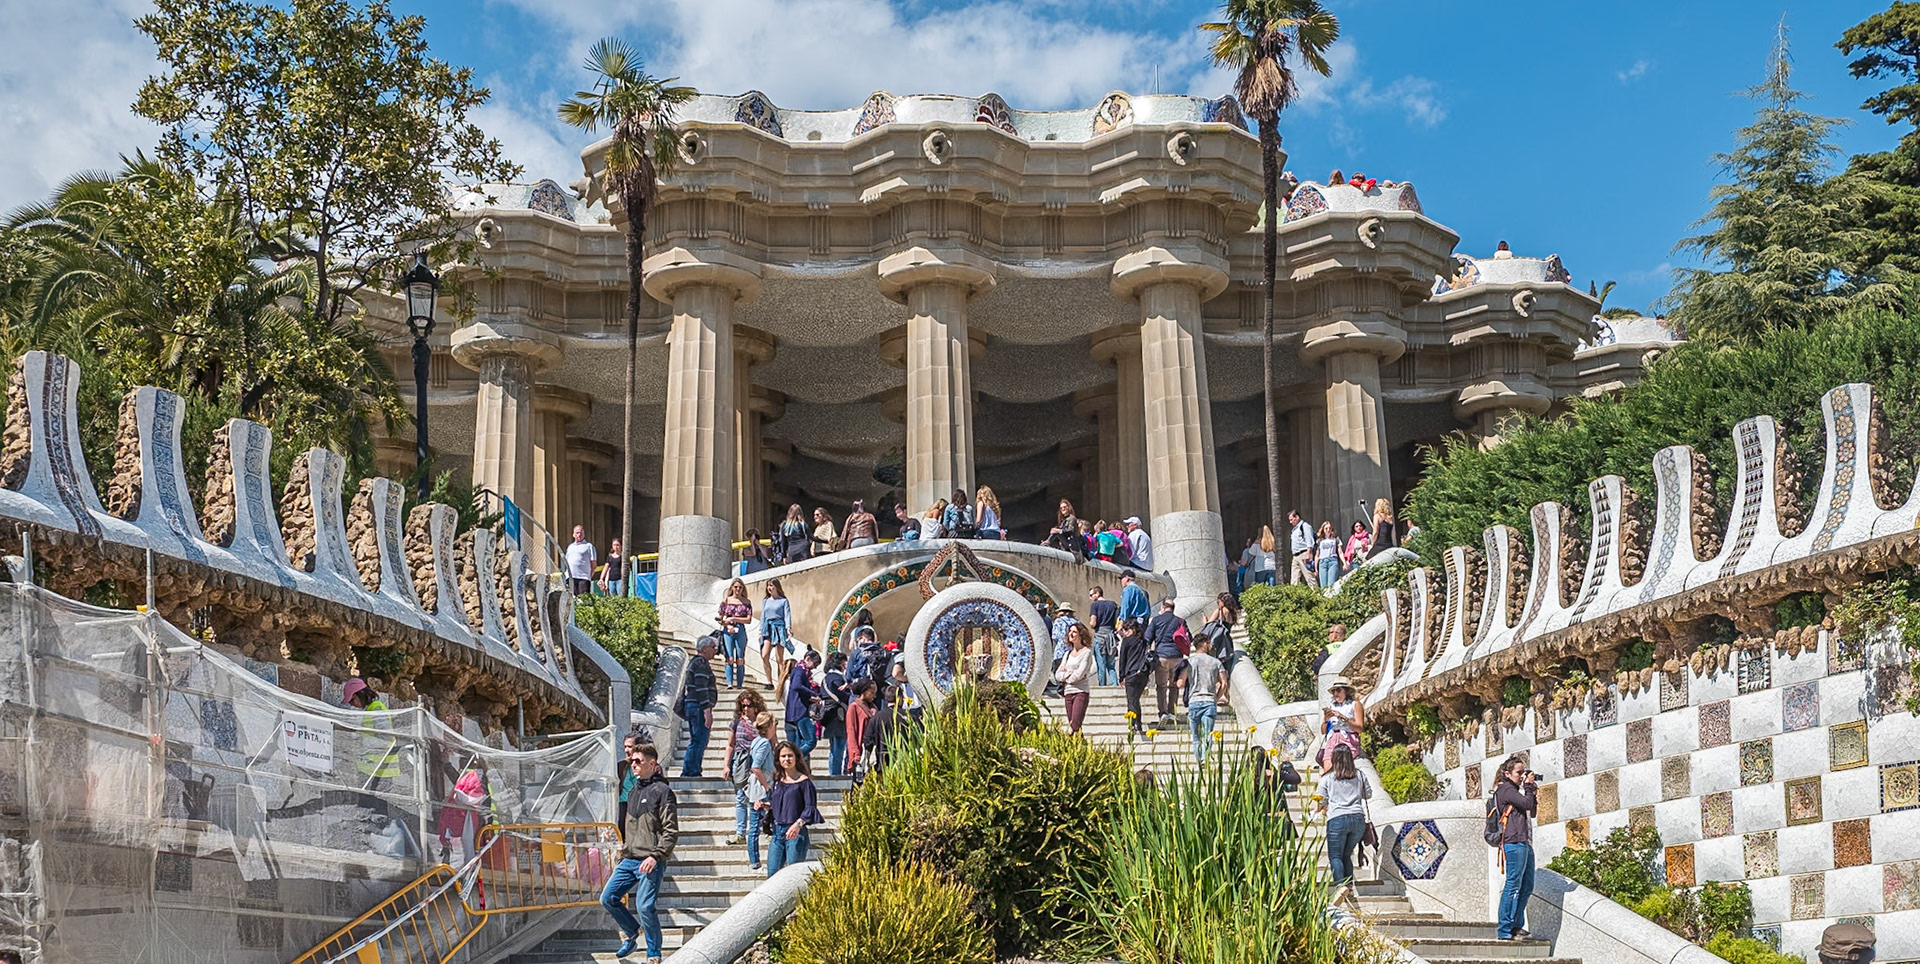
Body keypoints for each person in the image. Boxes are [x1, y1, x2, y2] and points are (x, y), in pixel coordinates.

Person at [601, 742, 678, 962]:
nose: (633, 765)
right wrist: (622, 843)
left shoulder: (663, 792)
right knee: (608, 898)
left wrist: (656, 856)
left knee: (644, 905)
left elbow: (671, 831)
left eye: (638, 761)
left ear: (652, 764)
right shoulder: (633, 792)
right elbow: (631, 824)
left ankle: (654, 953)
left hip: (650, 859)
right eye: (631, 761)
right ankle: (632, 932)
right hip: (629, 858)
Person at [1491, 754, 1539, 941]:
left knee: (1527, 885)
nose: (1521, 776)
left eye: (1523, 773)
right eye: (1519, 773)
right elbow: (1525, 804)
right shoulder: (1505, 790)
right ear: (1507, 773)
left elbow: (1531, 810)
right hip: (1513, 842)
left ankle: (1516, 926)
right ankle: (1504, 928)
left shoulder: (1515, 792)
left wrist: (1532, 791)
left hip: (1524, 842)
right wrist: (1527, 788)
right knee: (1513, 884)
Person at [1316, 744, 1371, 902]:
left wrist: (1315, 811)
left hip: (1337, 819)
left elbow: (1321, 800)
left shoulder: (1328, 778)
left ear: (1334, 758)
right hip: (1357, 818)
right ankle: (1350, 887)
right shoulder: (1360, 775)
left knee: (1335, 856)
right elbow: (1368, 794)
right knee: (1347, 854)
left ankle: (1341, 886)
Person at [766, 741, 823, 877]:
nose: (787, 759)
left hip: (796, 833)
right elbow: (778, 803)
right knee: (772, 875)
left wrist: (797, 825)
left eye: (790, 756)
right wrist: (765, 805)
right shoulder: (777, 780)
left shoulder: (804, 782)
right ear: (778, 760)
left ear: (796, 757)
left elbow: (810, 808)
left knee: (792, 876)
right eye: (783, 756)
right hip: (777, 832)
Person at [723, 691, 767, 847]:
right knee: (741, 798)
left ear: (756, 706)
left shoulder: (763, 722)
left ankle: (766, 828)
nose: (746, 709)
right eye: (743, 706)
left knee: (761, 797)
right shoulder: (736, 722)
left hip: (759, 763)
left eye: (749, 705)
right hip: (741, 763)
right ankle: (740, 832)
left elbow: (773, 742)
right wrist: (726, 765)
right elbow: (730, 745)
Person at [1182, 631, 1226, 761]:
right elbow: (1224, 683)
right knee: (1207, 735)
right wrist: (1216, 698)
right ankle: (1204, 760)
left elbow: (1181, 681)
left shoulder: (1190, 662)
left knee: (1196, 737)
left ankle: (1199, 761)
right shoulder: (1216, 662)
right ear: (1204, 644)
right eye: (1208, 642)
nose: (1210, 645)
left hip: (1194, 700)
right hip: (1209, 701)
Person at [679, 637, 718, 778]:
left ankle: (692, 769)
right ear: (704, 648)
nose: (715, 650)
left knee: (698, 739)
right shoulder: (701, 664)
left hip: (694, 706)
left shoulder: (695, 663)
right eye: (713, 647)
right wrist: (707, 710)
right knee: (699, 740)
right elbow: (701, 688)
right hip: (698, 707)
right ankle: (691, 771)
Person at [745, 711, 778, 870]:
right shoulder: (764, 743)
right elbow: (756, 767)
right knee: (758, 824)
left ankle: (755, 860)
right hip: (761, 787)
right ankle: (755, 860)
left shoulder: (757, 741)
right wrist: (766, 786)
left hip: (758, 785)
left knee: (756, 825)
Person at [1146, 600, 1185, 725]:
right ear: (1173, 608)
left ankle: (1162, 713)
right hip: (1177, 657)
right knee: (1174, 686)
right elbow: (1187, 636)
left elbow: (1147, 637)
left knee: (1161, 687)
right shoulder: (1180, 621)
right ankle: (1172, 713)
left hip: (1162, 656)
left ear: (1163, 607)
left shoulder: (1156, 620)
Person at [1054, 622, 1096, 734]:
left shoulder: (1086, 653)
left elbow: (1079, 675)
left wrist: (1066, 675)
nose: (1071, 634)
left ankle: (1075, 747)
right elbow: (1057, 675)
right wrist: (1069, 674)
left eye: (1074, 632)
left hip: (1080, 692)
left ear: (1081, 635)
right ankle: (1080, 748)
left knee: (1075, 724)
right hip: (1068, 692)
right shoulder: (1067, 654)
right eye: (1070, 632)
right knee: (1074, 726)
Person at [1319, 677, 1366, 770]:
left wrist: (1343, 718)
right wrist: (1326, 719)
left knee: (1345, 769)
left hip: (1348, 739)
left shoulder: (1355, 704)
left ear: (1346, 691)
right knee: (1327, 768)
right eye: (1334, 691)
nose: (1336, 693)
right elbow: (1323, 731)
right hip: (1332, 738)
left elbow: (1360, 728)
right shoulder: (1332, 706)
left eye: (1338, 690)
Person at [784, 650, 823, 756]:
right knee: (810, 741)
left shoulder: (799, 671)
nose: (814, 667)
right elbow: (796, 685)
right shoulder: (800, 670)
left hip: (793, 713)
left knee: (798, 743)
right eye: (814, 664)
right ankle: (796, 757)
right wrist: (812, 693)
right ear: (808, 659)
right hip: (800, 711)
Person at [1116, 618, 1151, 735]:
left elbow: (1122, 659)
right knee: (1135, 699)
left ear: (1133, 629)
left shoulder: (1127, 641)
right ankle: (1138, 723)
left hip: (1131, 673)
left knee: (1131, 700)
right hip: (1143, 673)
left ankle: (1133, 724)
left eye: (1126, 629)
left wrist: (1121, 677)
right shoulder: (1143, 641)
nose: (1124, 632)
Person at [717, 579, 753, 688]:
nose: (738, 589)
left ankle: (739, 684)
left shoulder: (746, 602)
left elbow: (748, 619)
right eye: (736, 587)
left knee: (740, 658)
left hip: (740, 629)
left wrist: (735, 618)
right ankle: (729, 683)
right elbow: (719, 617)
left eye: (740, 587)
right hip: (728, 630)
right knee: (730, 657)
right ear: (732, 587)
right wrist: (727, 624)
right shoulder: (726, 600)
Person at [821, 652, 851, 776]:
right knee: (838, 746)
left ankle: (833, 772)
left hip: (830, 716)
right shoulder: (837, 678)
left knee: (834, 748)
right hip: (837, 716)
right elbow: (842, 695)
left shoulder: (826, 678)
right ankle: (836, 774)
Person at [758, 579, 792, 689]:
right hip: (768, 628)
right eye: (768, 586)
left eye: (771, 585)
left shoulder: (783, 601)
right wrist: (761, 631)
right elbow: (763, 616)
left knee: (779, 658)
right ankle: (769, 681)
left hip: (779, 628)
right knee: (764, 655)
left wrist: (788, 628)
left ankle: (780, 682)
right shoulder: (766, 601)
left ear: (776, 587)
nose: (769, 588)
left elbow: (787, 615)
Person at [1087, 585, 1120, 686]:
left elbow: (1093, 623)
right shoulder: (1113, 605)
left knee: (1101, 664)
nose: (1090, 598)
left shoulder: (1095, 605)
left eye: (1091, 595)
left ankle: (1102, 687)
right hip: (1111, 636)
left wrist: (1091, 625)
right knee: (1111, 665)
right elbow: (1117, 620)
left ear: (1097, 593)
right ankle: (1115, 684)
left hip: (1100, 635)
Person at [844, 679, 877, 779]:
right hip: (860, 750)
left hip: (872, 750)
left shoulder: (873, 707)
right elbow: (851, 731)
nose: (874, 696)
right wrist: (855, 753)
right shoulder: (854, 707)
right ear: (864, 691)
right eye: (872, 692)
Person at [1203, 591, 1239, 671]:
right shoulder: (1232, 613)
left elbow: (1208, 626)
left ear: (1223, 602)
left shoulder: (1220, 611)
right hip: (1227, 642)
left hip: (1218, 642)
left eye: (1218, 601)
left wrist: (1204, 620)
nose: (1217, 603)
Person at [563, 525, 597, 595]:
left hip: (583, 578)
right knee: (571, 599)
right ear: (573, 534)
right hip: (571, 577)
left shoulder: (589, 546)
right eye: (577, 533)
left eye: (581, 533)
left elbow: (593, 564)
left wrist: (589, 576)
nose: (579, 535)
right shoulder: (570, 547)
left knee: (582, 600)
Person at [1287, 510, 1316, 586]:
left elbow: (1309, 540)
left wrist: (1308, 553)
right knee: (1294, 579)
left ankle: (1317, 594)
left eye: (1291, 519)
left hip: (1304, 554)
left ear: (1297, 517)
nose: (1290, 522)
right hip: (1295, 556)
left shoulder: (1305, 526)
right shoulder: (1294, 529)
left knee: (1309, 577)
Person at [1316, 522, 1342, 587]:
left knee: (1331, 584)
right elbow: (1317, 555)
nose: (1328, 530)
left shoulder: (1336, 539)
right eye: (1326, 528)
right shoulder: (1320, 541)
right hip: (1322, 562)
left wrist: (1344, 563)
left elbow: (1340, 552)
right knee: (1323, 586)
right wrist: (1316, 568)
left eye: (1329, 528)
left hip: (1332, 561)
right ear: (1323, 530)